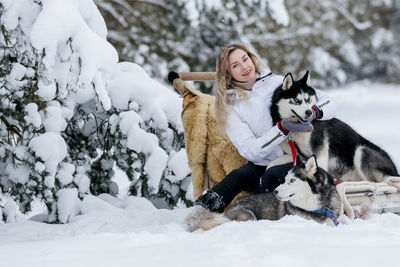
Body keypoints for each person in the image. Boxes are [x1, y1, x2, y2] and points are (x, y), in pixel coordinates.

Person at [172, 43, 337, 227]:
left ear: (252, 58)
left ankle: (257, 218)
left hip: (298, 156)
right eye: (235, 65)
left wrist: (313, 112)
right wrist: (281, 128)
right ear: (228, 73)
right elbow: (250, 151)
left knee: (271, 176)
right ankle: (200, 212)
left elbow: (329, 102)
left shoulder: (278, 82)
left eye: (245, 59)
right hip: (262, 159)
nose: (244, 67)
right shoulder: (230, 106)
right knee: (239, 176)